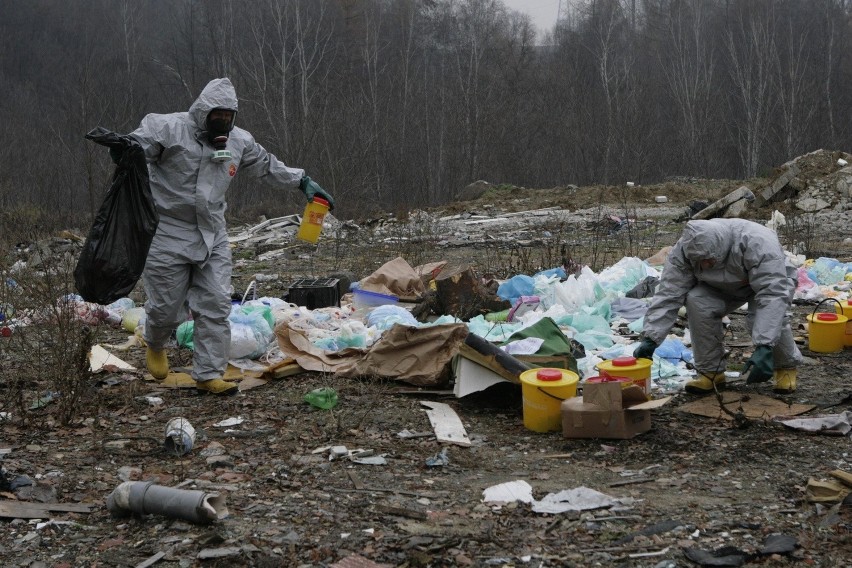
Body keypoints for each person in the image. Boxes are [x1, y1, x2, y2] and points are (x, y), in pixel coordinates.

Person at [120, 78, 334, 394]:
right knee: (166, 306)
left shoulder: (238, 142)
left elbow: (267, 165)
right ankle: (155, 341)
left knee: (216, 302)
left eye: (227, 117)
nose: (222, 122)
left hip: (212, 233)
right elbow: (137, 146)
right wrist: (124, 149)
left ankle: (208, 373)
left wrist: (302, 181)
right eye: (216, 116)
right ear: (202, 112)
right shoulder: (169, 130)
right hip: (168, 230)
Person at [633, 218, 801, 394]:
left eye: (708, 260)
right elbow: (669, 293)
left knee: (766, 315)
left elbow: (773, 294)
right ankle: (711, 372)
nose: (704, 265)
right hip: (722, 285)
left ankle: (785, 368)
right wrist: (651, 337)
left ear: (721, 248)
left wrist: (765, 345)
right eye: (699, 261)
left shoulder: (758, 242)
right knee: (697, 301)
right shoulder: (683, 251)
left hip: (771, 282)